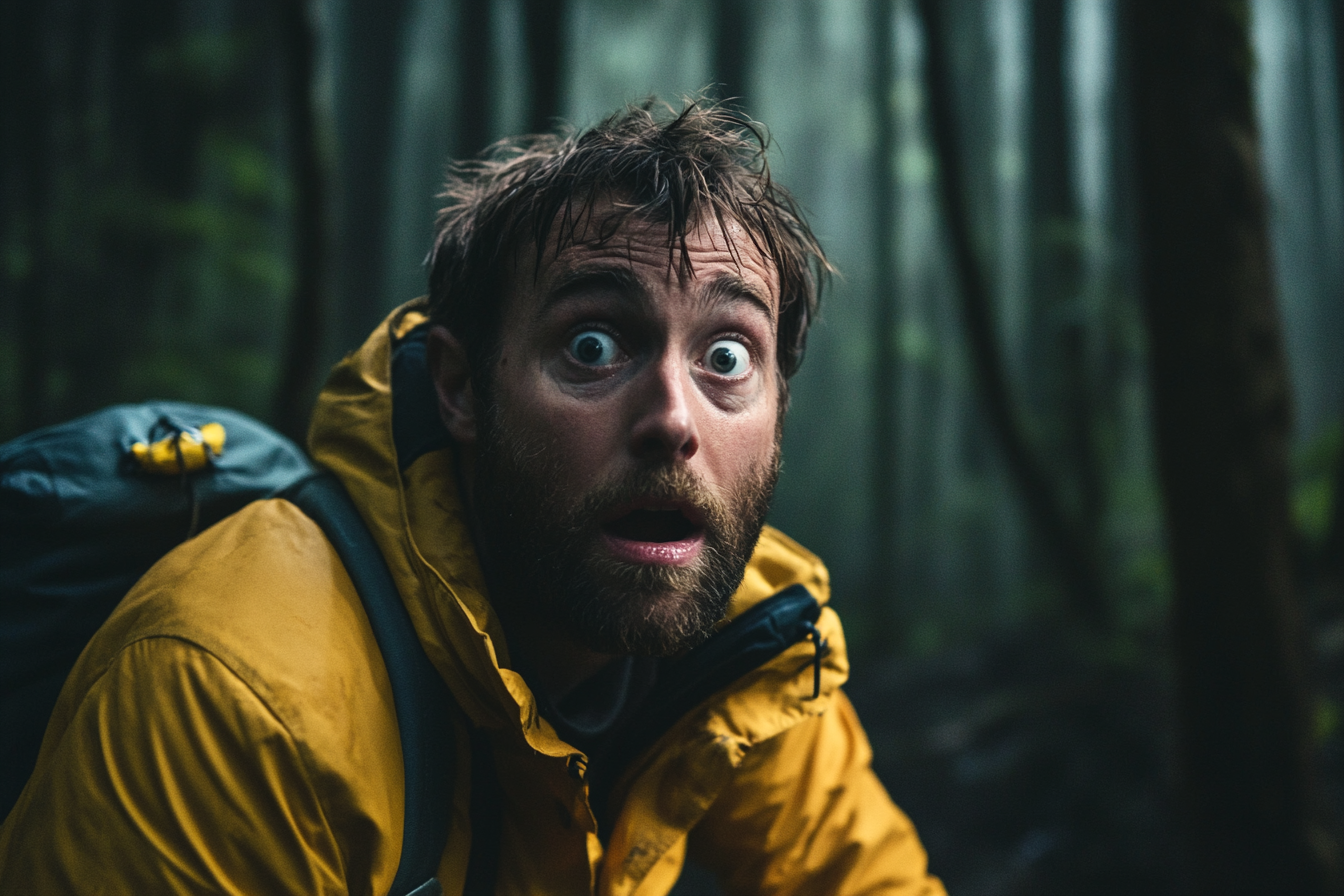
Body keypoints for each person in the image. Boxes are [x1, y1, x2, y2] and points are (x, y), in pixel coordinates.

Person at [0, 99, 943, 895]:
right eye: (593, 346)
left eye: (727, 357)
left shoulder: (748, 654)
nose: (672, 418)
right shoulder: (230, 703)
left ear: (780, 411)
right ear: (460, 388)